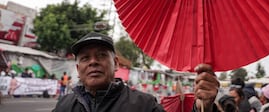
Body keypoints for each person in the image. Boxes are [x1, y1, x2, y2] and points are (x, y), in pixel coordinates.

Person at [52, 32, 219, 112]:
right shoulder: (64, 106)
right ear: (78, 69)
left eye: (101, 55)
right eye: (85, 58)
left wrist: (203, 108)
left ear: (116, 64)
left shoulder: (144, 105)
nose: (93, 62)